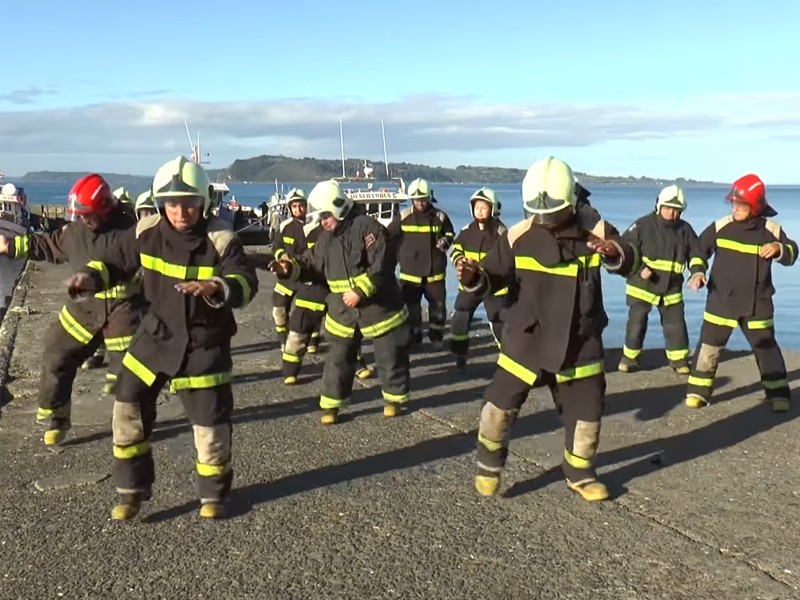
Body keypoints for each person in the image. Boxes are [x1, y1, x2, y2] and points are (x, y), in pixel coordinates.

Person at [66, 156, 258, 520]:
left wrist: (215, 286)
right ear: (160, 203)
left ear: (203, 202)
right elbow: (114, 262)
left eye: (189, 202)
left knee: (210, 426)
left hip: (204, 343)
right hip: (155, 336)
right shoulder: (146, 231)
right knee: (127, 408)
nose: (181, 211)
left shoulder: (220, 239)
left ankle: (213, 495)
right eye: (172, 202)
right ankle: (131, 492)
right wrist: (89, 278)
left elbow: (246, 282)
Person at [457, 157, 639, 501]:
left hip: (580, 340)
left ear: (571, 201)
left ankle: (580, 474)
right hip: (526, 337)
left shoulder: (594, 229)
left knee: (586, 413)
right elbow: (492, 277)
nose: (542, 219)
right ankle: (489, 464)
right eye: (536, 212)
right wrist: (473, 277)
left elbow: (629, 256)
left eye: (550, 212)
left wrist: (615, 252)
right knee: (497, 409)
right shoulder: (518, 235)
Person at [0, 174, 141, 446]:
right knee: (55, 354)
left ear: (103, 208)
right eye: (77, 214)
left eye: (86, 214)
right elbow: (47, 245)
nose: (81, 220)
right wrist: (10, 246)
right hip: (82, 314)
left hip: (123, 316)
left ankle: (130, 428)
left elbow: (115, 263)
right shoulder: (75, 233)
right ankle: (57, 417)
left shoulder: (130, 232)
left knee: (129, 378)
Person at [270, 179, 409, 425]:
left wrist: (361, 290)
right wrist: (288, 267)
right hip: (342, 310)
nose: (323, 221)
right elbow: (311, 262)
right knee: (338, 359)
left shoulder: (368, 227)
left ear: (339, 207)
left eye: (326, 215)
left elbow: (383, 263)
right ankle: (331, 406)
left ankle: (393, 400)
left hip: (379, 306)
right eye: (320, 217)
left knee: (390, 355)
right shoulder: (326, 238)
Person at [685, 173, 797, 412]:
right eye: (733, 202)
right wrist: (696, 272)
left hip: (758, 303)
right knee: (708, 348)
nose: (734, 208)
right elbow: (698, 250)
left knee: (766, 349)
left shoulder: (771, 229)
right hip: (721, 300)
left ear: (755, 206)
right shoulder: (721, 226)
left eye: (740, 204)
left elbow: (792, 252)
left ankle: (778, 394)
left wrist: (779, 249)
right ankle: (698, 392)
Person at [619, 185, 698, 374]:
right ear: (659, 205)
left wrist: (696, 272)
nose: (672, 213)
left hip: (671, 288)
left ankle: (679, 360)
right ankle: (629, 358)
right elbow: (625, 251)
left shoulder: (685, 230)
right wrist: (639, 269)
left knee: (675, 325)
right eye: (668, 208)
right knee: (637, 323)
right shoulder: (642, 225)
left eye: (677, 210)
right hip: (642, 286)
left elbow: (696, 253)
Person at [387, 178, 454, 347]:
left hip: (435, 272)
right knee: (412, 308)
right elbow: (387, 235)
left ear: (429, 197)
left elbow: (450, 233)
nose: (420, 203)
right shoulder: (404, 217)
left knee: (438, 307)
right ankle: (414, 337)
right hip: (410, 273)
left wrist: (445, 242)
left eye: (423, 199)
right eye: (416, 200)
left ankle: (436, 337)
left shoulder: (440, 216)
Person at [449, 187, 511, 371]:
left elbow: (509, 259)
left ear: (493, 209)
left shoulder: (502, 233)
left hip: (495, 288)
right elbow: (455, 249)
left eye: (484, 207)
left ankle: (507, 361)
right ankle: (460, 355)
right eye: (477, 207)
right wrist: (459, 261)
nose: (480, 211)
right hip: (470, 286)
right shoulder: (466, 231)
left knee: (500, 325)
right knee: (460, 318)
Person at [270, 189, 308, 349]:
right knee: (278, 310)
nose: (298, 210)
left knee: (307, 312)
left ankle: (313, 339)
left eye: (301, 206)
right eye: (294, 206)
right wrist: (281, 256)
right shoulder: (285, 226)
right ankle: (283, 340)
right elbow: (277, 245)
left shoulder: (314, 226)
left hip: (307, 276)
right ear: (290, 208)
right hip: (286, 277)